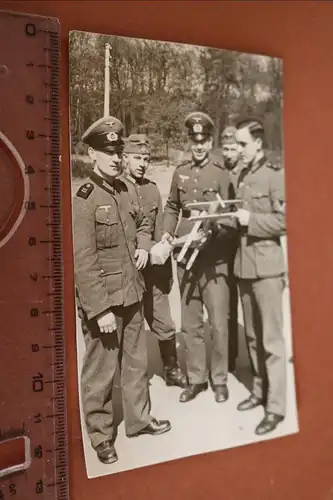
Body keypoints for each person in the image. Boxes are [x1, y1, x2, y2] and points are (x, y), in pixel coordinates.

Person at [73, 116, 171, 466]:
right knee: (101, 370)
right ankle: (100, 436)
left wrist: (145, 244)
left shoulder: (128, 189)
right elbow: (82, 262)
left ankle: (139, 420)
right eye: (107, 151)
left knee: (136, 364)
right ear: (92, 153)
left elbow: (143, 221)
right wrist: (99, 310)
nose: (115, 158)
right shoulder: (84, 198)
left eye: (118, 151)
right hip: (106, 303)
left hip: (133, 293)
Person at [163, 111, 236, 403]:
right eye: (194, 140)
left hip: (214, 259)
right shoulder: (180, 171)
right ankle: (197, 379)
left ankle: (219, 380)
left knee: (218, 323)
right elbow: (171, 206)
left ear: (211, 140)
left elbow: (230, 218)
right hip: (185, 256)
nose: (199, 145)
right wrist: (168, 233)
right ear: (189, 140)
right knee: (190, 323)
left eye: (204, 139)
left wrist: (215, 229)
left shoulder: (221, 173)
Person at [232, 117, 287, 435]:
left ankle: (276, 407)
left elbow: (285, 221)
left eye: (242, 144)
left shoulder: (274, 176)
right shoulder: (242, 175)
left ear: (257, 143)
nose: (238, 150)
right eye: (236, 144)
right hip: (246, 269)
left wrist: (251, 219)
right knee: (252, 337)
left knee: (272, 342)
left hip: (267, 270)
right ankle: (259, 391)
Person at [122, 133, 186, 388]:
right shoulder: (116, 189)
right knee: (130, 330)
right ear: (125, 158)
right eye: (137, 158)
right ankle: (132, 380)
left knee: (164, 323)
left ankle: (171, 371)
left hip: (152, 273)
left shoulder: (151, 189)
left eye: (146, 159)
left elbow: (160, 229)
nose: (142, 163)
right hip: (128, 273)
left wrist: (164, 266)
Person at [220, 126, 243, 373]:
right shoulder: (219, 173)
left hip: (244, 246)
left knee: (246, 304)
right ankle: (230, 357)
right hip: (224, 247)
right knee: (228, 305)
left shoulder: (245, 174)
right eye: (225, 149)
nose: (228, 153)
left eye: (233, 148)